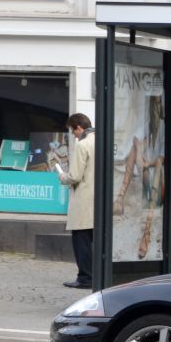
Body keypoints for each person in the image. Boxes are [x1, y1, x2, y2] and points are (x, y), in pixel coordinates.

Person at [59, 113, 96, 288]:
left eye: (73, 131)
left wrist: (62, 176)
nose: (74, 135)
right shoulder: (102, 141)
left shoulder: (83, 144)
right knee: (95, 241)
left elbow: (75, 176)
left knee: (81, 242)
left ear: (79, 128)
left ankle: (85, 277)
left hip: (84, 200)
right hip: (99, 201)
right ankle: (97, 274)